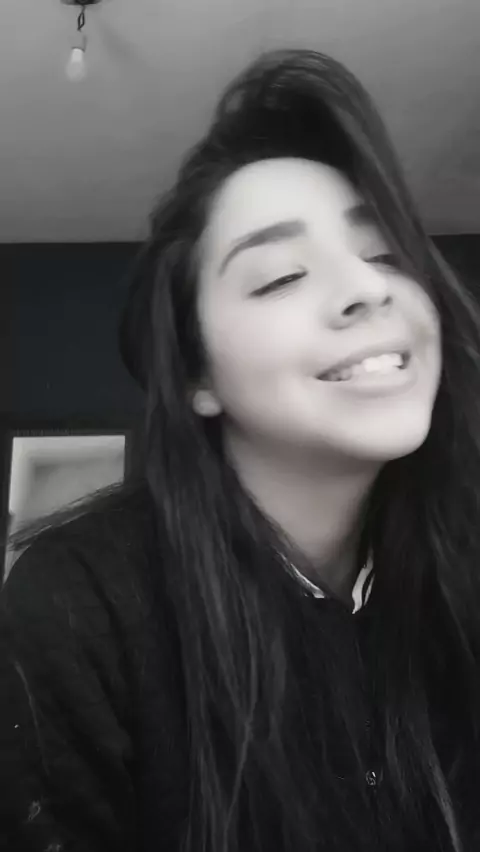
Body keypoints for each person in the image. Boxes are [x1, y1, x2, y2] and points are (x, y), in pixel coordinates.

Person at [1, 48, 480, 852]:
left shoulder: (458, 569)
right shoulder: (80, 609)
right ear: (198, 375)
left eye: (384, 254)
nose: (368, 288)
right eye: (281, 276)